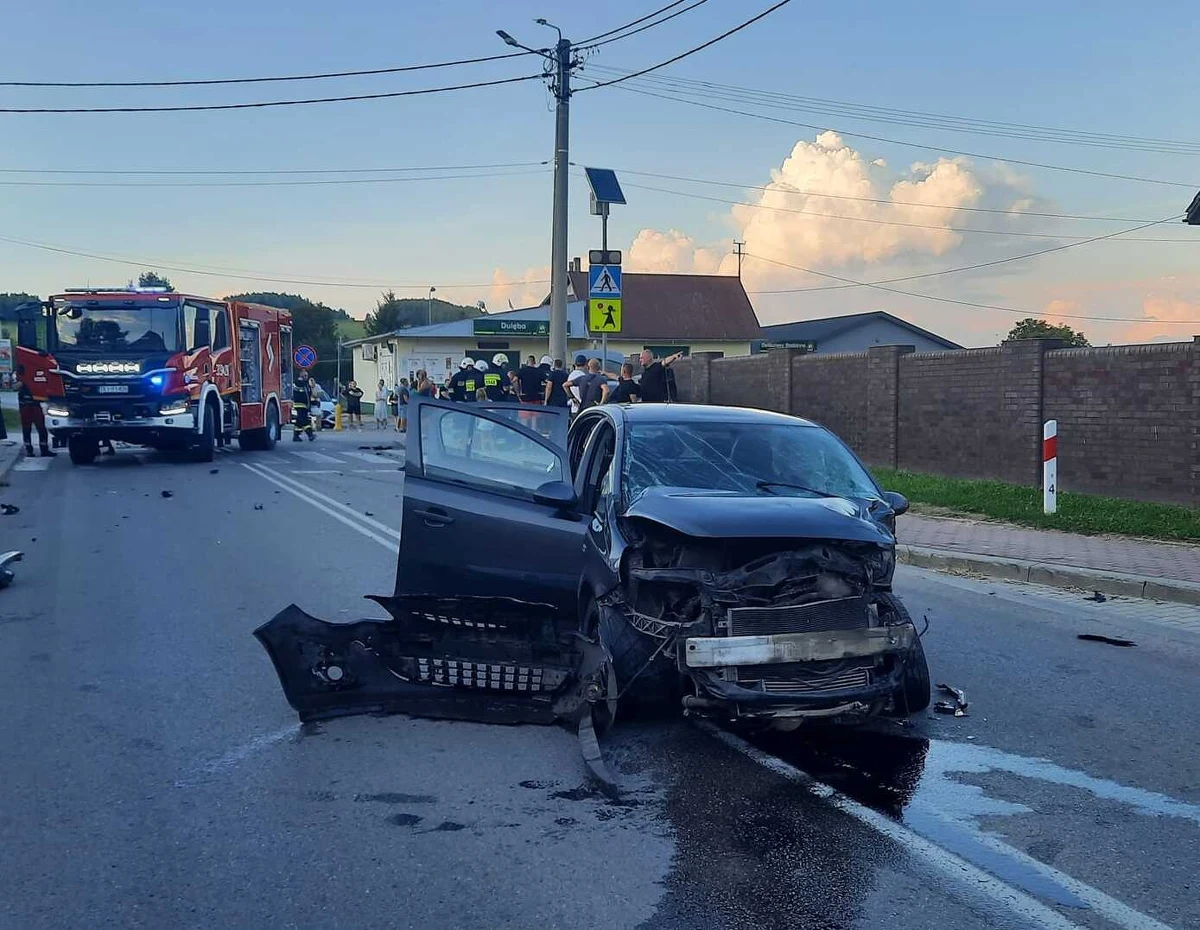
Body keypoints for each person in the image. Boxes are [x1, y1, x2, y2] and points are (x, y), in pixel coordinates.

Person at [17, 381, 55, 458]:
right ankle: (34, 450)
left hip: (30, 408)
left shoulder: (31, 382)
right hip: (29, 408)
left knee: (36, 430)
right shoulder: (25, 382)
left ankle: (36, 450)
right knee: (32, 430)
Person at [292, 371, 316, 441]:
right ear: (301, 375)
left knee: (299, 422)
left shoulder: (305, 384)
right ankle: (310, 434)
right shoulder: (298, 383)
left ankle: (296, 436)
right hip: (300, 404)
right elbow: (304, 394)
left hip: (304, 405)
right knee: (304, 420)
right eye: (305, 375)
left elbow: (308, 395)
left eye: (307, 375)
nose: (306, 377)